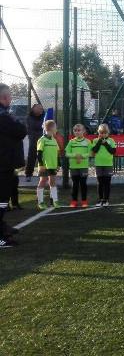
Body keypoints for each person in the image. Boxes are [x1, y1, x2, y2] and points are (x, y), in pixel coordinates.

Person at [0, 83, 27, 246]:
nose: (11, 98)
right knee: (2, 199)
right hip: (3, 164)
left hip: (5, 163)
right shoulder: (3, 116)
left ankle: (2, 228)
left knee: (3, 197)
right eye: (10, 95)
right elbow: (21, 130)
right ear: (4, 97)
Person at [36, 120, 61, 210]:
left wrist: (58, 164)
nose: (56, 129)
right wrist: (41, 165)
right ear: (51, 128)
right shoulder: (42, 140)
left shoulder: (54, 140)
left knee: (52, 182)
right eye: (55, 127)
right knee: (43, 181)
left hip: (53, 166)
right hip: (44, 166)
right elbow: (39, 153)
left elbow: (57, 153)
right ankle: (40, 202)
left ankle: (55, 201)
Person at [65, 123, 91, 208]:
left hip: (84, 167)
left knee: (83, 184)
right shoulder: (71, 142)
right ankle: (74, 201)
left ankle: (84, 201)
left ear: (83, 131)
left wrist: (82, 156)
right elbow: (67, 153)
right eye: (75, 130)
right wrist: (76, 156)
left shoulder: (87, 142)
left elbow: (90, 153)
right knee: (75, 184)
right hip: (73, 167)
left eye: (79, 130)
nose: (77, 132)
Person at [91, 123, 117, 206]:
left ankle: (106, 200)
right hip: (98, 164)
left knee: (107, 182)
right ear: (98, 132)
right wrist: (99, 142)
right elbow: (94, 150)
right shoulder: (95, 140)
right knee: (100, 183)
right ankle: (100, 200)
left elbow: (113, 151)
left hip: (108, 164)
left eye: (105, 133)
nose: (103, 135)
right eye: (101, 133)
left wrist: (106, 144)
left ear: (108, 132)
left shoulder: (111, 140)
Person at [25, 103, 45, 183]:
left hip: (43, 140)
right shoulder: (29, 117)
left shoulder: (44, 117)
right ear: (33, 109)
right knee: (31, 158)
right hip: (33, 141)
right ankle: (28, 174)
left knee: (43, 157)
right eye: (39, 108)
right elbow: (35, 126)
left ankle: (42, 173)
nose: (41, 109)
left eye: (41, 108)